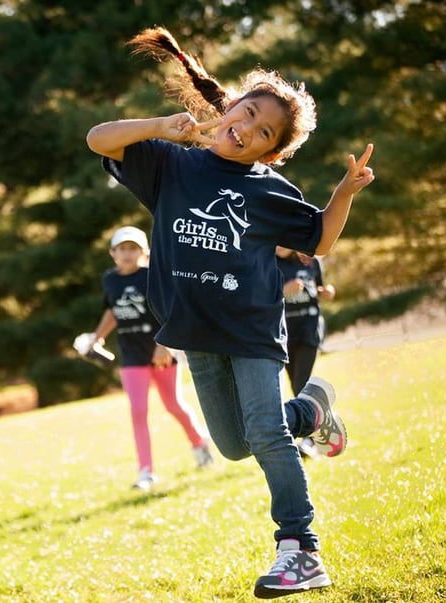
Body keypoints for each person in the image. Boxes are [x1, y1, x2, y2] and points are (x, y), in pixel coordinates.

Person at [86, 26, 374, 599]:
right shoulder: (171, 164)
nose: (248, 129)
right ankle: (311, 410)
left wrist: (343, 192)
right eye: (247, 113)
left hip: (253, 331)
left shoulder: (267, 189)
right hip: (194, 334)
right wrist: (160, 127)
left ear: (272, 150)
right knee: (236, 444)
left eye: (265, 132)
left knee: (265, 434)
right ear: (228, 107)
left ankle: (300, 550)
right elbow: (98, 138)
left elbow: (317, 240)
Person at [81, 225, 213, 491]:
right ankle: (146, 472)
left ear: (144, 252)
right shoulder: (110, 280)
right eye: (122, 249)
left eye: (133, 248)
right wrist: (97, 337)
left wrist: (164, 345)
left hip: (161, 351)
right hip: (131, 356)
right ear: (112, 253)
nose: (127, 254)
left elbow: (171, 312)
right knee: (138, 411)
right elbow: (113, 311)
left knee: (173, 405)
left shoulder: (153, 276)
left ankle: (200, 444)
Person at [276, 247, 337, 460]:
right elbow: (262, 296)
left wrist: (327, 292)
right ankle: (323, 424)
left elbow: (320, 287)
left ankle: (310, 440)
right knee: (296, 386)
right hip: (283, 334)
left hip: (309, 330)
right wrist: (284, 291)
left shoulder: (309, 260)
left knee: (301, 383)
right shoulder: (268, 262)